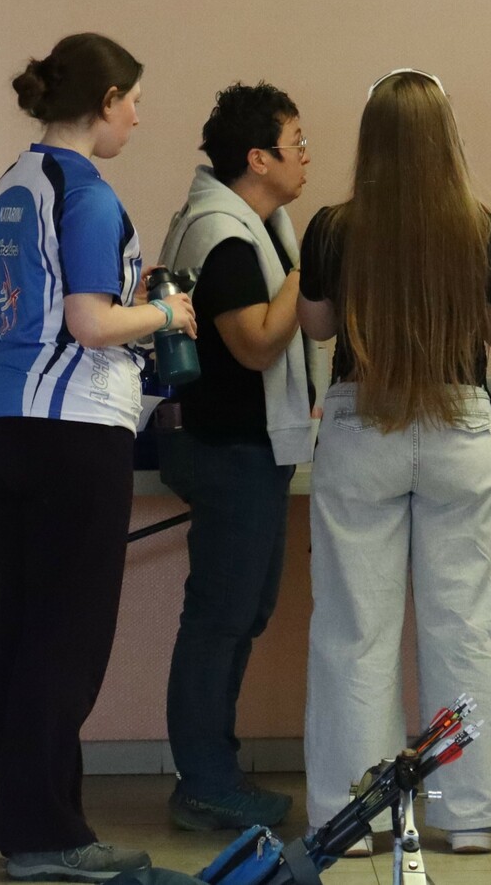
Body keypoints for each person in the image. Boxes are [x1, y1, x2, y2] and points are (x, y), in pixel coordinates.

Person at [0, 32, 196, 883]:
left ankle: (31, 824)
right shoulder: (88, 192)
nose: (137, 116)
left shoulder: (12, 184)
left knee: (25, 628)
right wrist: (166, 315)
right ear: (104, 102)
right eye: (132, 100)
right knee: (66, 639)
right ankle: (50, 834)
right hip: (71, 431)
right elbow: (91, 324)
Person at [298, 69, 491, 856]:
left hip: (362, 423)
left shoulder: (332, 227)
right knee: (463, 628)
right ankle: (469, 814)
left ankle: (354, 818)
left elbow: (317, 325)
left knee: (355, 630)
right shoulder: (483, 228)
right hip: (459, 424)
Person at [154, 82, 314, 831]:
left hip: (249, 445)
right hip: (224, 447)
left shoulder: (257, 223)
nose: (307, 155)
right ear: (258, 158)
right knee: (220, 616)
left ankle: (214, 771)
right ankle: (206, 780)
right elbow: (254, 344)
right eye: (297, 141)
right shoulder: (223, 234)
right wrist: (312, 271)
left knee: (242, 610)